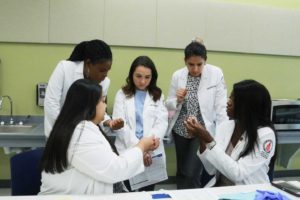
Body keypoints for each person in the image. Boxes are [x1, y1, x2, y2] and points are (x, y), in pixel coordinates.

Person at [40, 79, 160, 195]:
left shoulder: (82, 127)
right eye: (102, 101)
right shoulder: (80, 133)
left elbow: (108, 161)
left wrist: (140, 150)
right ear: (90, 105)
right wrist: (142, 146)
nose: (105, 105)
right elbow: (114, 169)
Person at [185, 79, 276, 187]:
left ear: (248, 106)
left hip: (249, 193)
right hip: (220, 188)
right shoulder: (226, 126)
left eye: (234, 99)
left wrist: (209, 139)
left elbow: (238, 173)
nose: (228, 102)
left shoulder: (266, 135)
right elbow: (211, 169)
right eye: (230, 97)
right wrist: (201, 138)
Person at [165, 41, 228, 189]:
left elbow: (221, 107)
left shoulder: (216, 74)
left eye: (199, 64)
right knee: (181, 171)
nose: (195, 68)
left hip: (201, 131)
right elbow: (168, 104)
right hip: (181, 129)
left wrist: (224, 136)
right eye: (190, 64)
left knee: (191, 172)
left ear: (205, 60)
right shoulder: (177, 75)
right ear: (185, 61)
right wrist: (177, 100)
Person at [44, 39, 123, 137]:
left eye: (108, 70)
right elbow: (51, 104)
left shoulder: (105, 82)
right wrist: (69, 131)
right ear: (88, 63)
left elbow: (98, 109)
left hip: (83, 136)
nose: (105, 75)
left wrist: (108, 122)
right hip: (59, 135)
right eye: (102, 70)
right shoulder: (65, 68)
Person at [112, 56, 168, 191]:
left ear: (152, 77)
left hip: (151, 153)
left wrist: (147, 147)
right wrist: (140, 149)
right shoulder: (122, 94)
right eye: (138, 76)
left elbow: (161, 123)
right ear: (131, 75)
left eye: (147, 77)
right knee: (127, 192)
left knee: (147, 192)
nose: (142, 81)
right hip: (128, 149)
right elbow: (120, 126)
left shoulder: (158, 95)